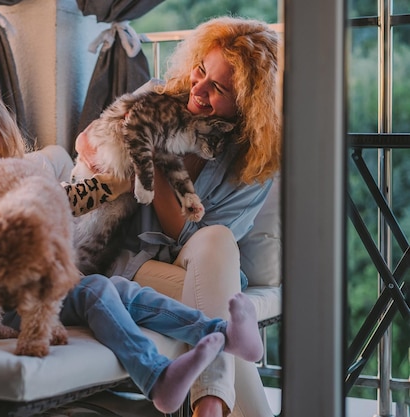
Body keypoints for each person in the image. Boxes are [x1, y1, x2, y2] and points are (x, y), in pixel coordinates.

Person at [0, 67, 264, 414]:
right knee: (96, 291)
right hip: (3, 301)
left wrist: (113, 183)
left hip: (41, 284)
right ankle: (157, 378)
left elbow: (68, 198)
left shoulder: (17, 170)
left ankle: (222, 332)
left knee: (119, 288)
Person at [75, 16, 281, 417]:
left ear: (249, 105)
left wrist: (151, 154)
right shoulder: (159, 96)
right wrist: (110, 157)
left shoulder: (254, 165)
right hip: (125, 262)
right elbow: (85, 140)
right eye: (200, 71)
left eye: (218, 88)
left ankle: (208, 407)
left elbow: (186, 232)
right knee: (219, 304)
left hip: (194, 263)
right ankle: (210, 409)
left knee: (217, 238)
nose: (198, 89)